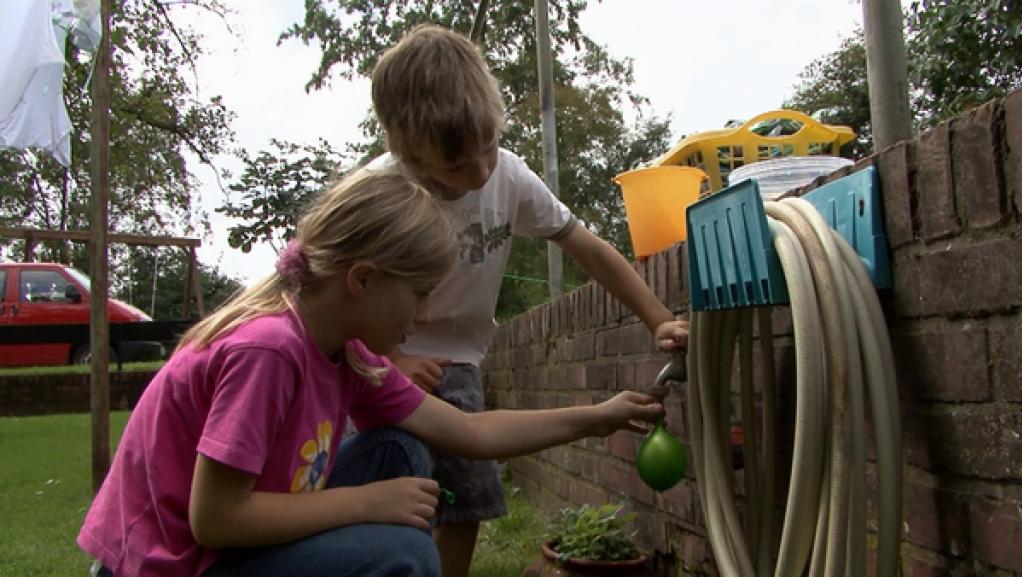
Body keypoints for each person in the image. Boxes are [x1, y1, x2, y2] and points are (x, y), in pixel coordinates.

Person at [76, 165, 666, 577]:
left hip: (221, 550)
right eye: (419, 295)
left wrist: (600, 417)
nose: (425, 314)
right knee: (402, 556)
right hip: (171, 567)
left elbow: (470, 433)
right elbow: (215, 518)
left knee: (398, 451)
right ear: (361, 280)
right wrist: (366, 505)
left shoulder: (347, 353)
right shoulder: (269, 350)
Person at [369, 24, 690, 577]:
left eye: (489, 147)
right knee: (395, 493)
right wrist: (387, 360)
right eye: (454, 167)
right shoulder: (381, 192)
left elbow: (586, 247)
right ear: (407, 151)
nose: (479, 173)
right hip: (376, 361)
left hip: (460, 360)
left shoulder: (509, 176)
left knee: (466, 494)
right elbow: (326, 297)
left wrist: (657, 318)